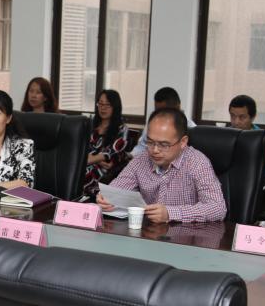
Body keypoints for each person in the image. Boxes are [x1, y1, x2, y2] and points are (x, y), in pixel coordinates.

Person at [98, 108, 226, 223]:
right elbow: (116, 190)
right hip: (147, 234)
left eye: (164, 145)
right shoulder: (142, 159)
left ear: (183, 142)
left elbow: (217, 208)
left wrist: (170, 213)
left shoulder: (197, 163)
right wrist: (105, 198)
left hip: (185, 236)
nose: (155, 150)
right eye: (150, 142)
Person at [82, 89, 131, 198]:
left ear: (115, 107)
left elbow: (111, 153)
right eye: (100, 104)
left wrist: (91, 159)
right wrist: (97, 159)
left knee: (77, 174)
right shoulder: (90, 124)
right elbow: (81, 147)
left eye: (107, 105)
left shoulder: (122, 129)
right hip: (86, 164)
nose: (103, 108)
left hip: (105, 173)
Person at [129, 86, 197, 158]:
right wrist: (130, 156)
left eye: (164, 111)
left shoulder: (192, 129)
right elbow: (142, 147)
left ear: (177, 107)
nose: (159, 115)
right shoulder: (153, 123)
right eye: (157, 111)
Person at [228, 94, 265, 179]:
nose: (236, 122)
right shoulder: (225, 134)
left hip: (249, 180)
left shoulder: (261, 138)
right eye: (233, 116)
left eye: (242, 117)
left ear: (253, 117)